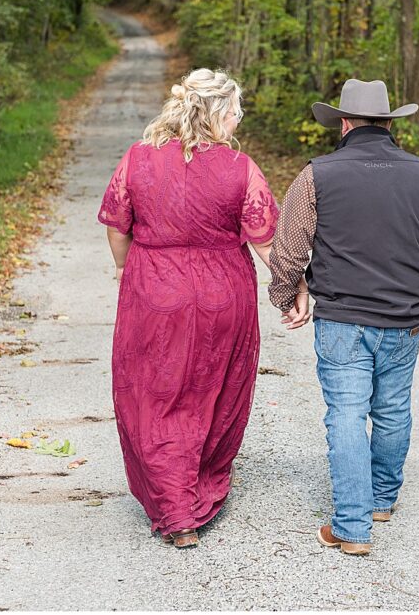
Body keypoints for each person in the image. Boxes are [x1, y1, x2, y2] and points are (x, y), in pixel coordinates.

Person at [97, 68, 308, 548]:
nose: (237, 122)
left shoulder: (138, 158)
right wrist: (294, 282)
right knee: (216, 389)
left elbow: (116, 224)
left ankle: (174, 508)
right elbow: (265, 239)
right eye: (235, 113)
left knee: (154, 393)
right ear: (218, 113)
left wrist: (127, 269)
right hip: (222, 293)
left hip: (155, 289)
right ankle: (196, 488)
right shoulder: (241, 168)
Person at [269, 79, 419, 556]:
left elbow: (289, 247)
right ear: (389, 123)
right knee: (392, 410)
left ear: (343, 124)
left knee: (345, 413)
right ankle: (381, 500)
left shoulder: (316, 174)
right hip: (404, 321)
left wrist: (287, 295)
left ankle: (351, 526)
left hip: (341, 320)